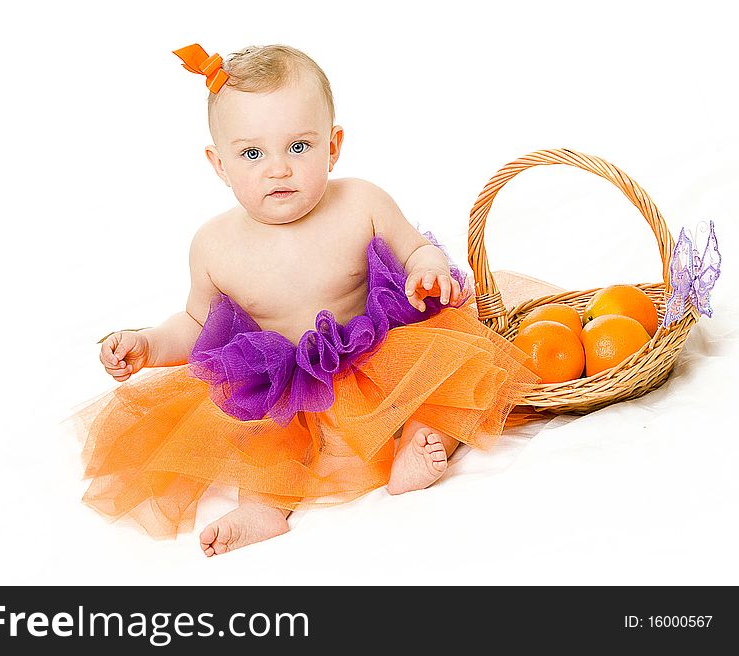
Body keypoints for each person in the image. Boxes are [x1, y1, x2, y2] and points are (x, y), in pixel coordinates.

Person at [67, 43, 540, 557]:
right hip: (286, 386)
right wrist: (149, 343)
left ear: (333, 145)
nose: (278, 169)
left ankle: (423, 443)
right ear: (218, 163)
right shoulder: (214, 245)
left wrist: (426, 271)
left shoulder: (362, 202)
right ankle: (262, 509)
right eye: (252, 153)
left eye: (298, 147)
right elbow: (195, 325)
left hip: (379, 355)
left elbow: (416, 248)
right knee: (257, 432)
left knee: (453, 373)